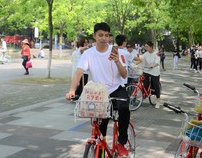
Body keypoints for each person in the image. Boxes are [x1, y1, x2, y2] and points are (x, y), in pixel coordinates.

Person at [66, 22, 130, 157]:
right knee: (101, 126)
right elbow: (79, 71)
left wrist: (117, 61)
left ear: (109, 37)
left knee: (124, 107)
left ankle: (121, 143)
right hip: (99, 93)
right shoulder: (88, 53)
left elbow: (124, 75)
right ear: (94, 36)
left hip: (116, 89)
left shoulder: (117, 51)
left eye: (106, 35)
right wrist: (72, 90)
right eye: (100, 35)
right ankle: (100, 150)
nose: (103, 38)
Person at [141, 41, 161, 108]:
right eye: (145, 47)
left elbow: (157, 62)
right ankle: (145, 94)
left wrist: (153, 65)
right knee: (144, 82)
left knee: (156, 86)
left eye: (147, 47)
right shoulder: (145, 54)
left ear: (151, 46)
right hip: (146, 70)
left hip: (155, 71)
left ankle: (158, 100)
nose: (146, 48)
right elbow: (141, 60)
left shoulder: (156, 53)